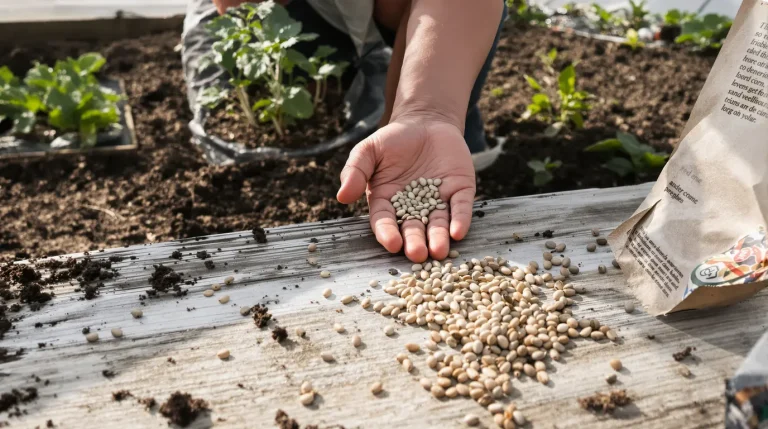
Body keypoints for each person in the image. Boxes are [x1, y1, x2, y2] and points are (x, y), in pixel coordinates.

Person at [194, 0, 506, 263]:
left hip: (434, 10)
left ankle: (455, 125)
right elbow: (237, 8)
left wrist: (427, 111)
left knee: (448, 103)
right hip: (302, 9)